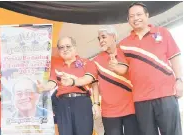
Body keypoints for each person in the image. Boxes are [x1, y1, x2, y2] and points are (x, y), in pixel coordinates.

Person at [58, 26, 140, 135]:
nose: (101, 41)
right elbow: (91, 80)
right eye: (99, 38)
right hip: (110, 111)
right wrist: (74, 82)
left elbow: (125, 69)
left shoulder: (125, 52)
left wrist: (116, 67)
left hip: (130, 107)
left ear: (114, 37)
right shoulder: (95, 61)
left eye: (103, 37)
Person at [117, 2, 182, 135]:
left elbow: (174, 57)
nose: (136, 18)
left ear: (147, 15)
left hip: (166, 94)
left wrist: (180, 80)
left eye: (139, 14)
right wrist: (113, 66)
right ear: (128, 20)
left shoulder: (162, 32)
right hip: (141, 99)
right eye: (132, 16)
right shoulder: (123, 44)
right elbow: (123, 70)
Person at [38, 37, 93, 135]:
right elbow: (52, 82)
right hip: (62, 104)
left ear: (75, 48)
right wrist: (44, 87)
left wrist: (72, 81)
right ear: (58, 51)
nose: (65, 49)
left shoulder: (87, 62)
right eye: (61, 47)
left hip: (82, 102)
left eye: (68, 46)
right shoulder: (56, 66)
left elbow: (88, 79)